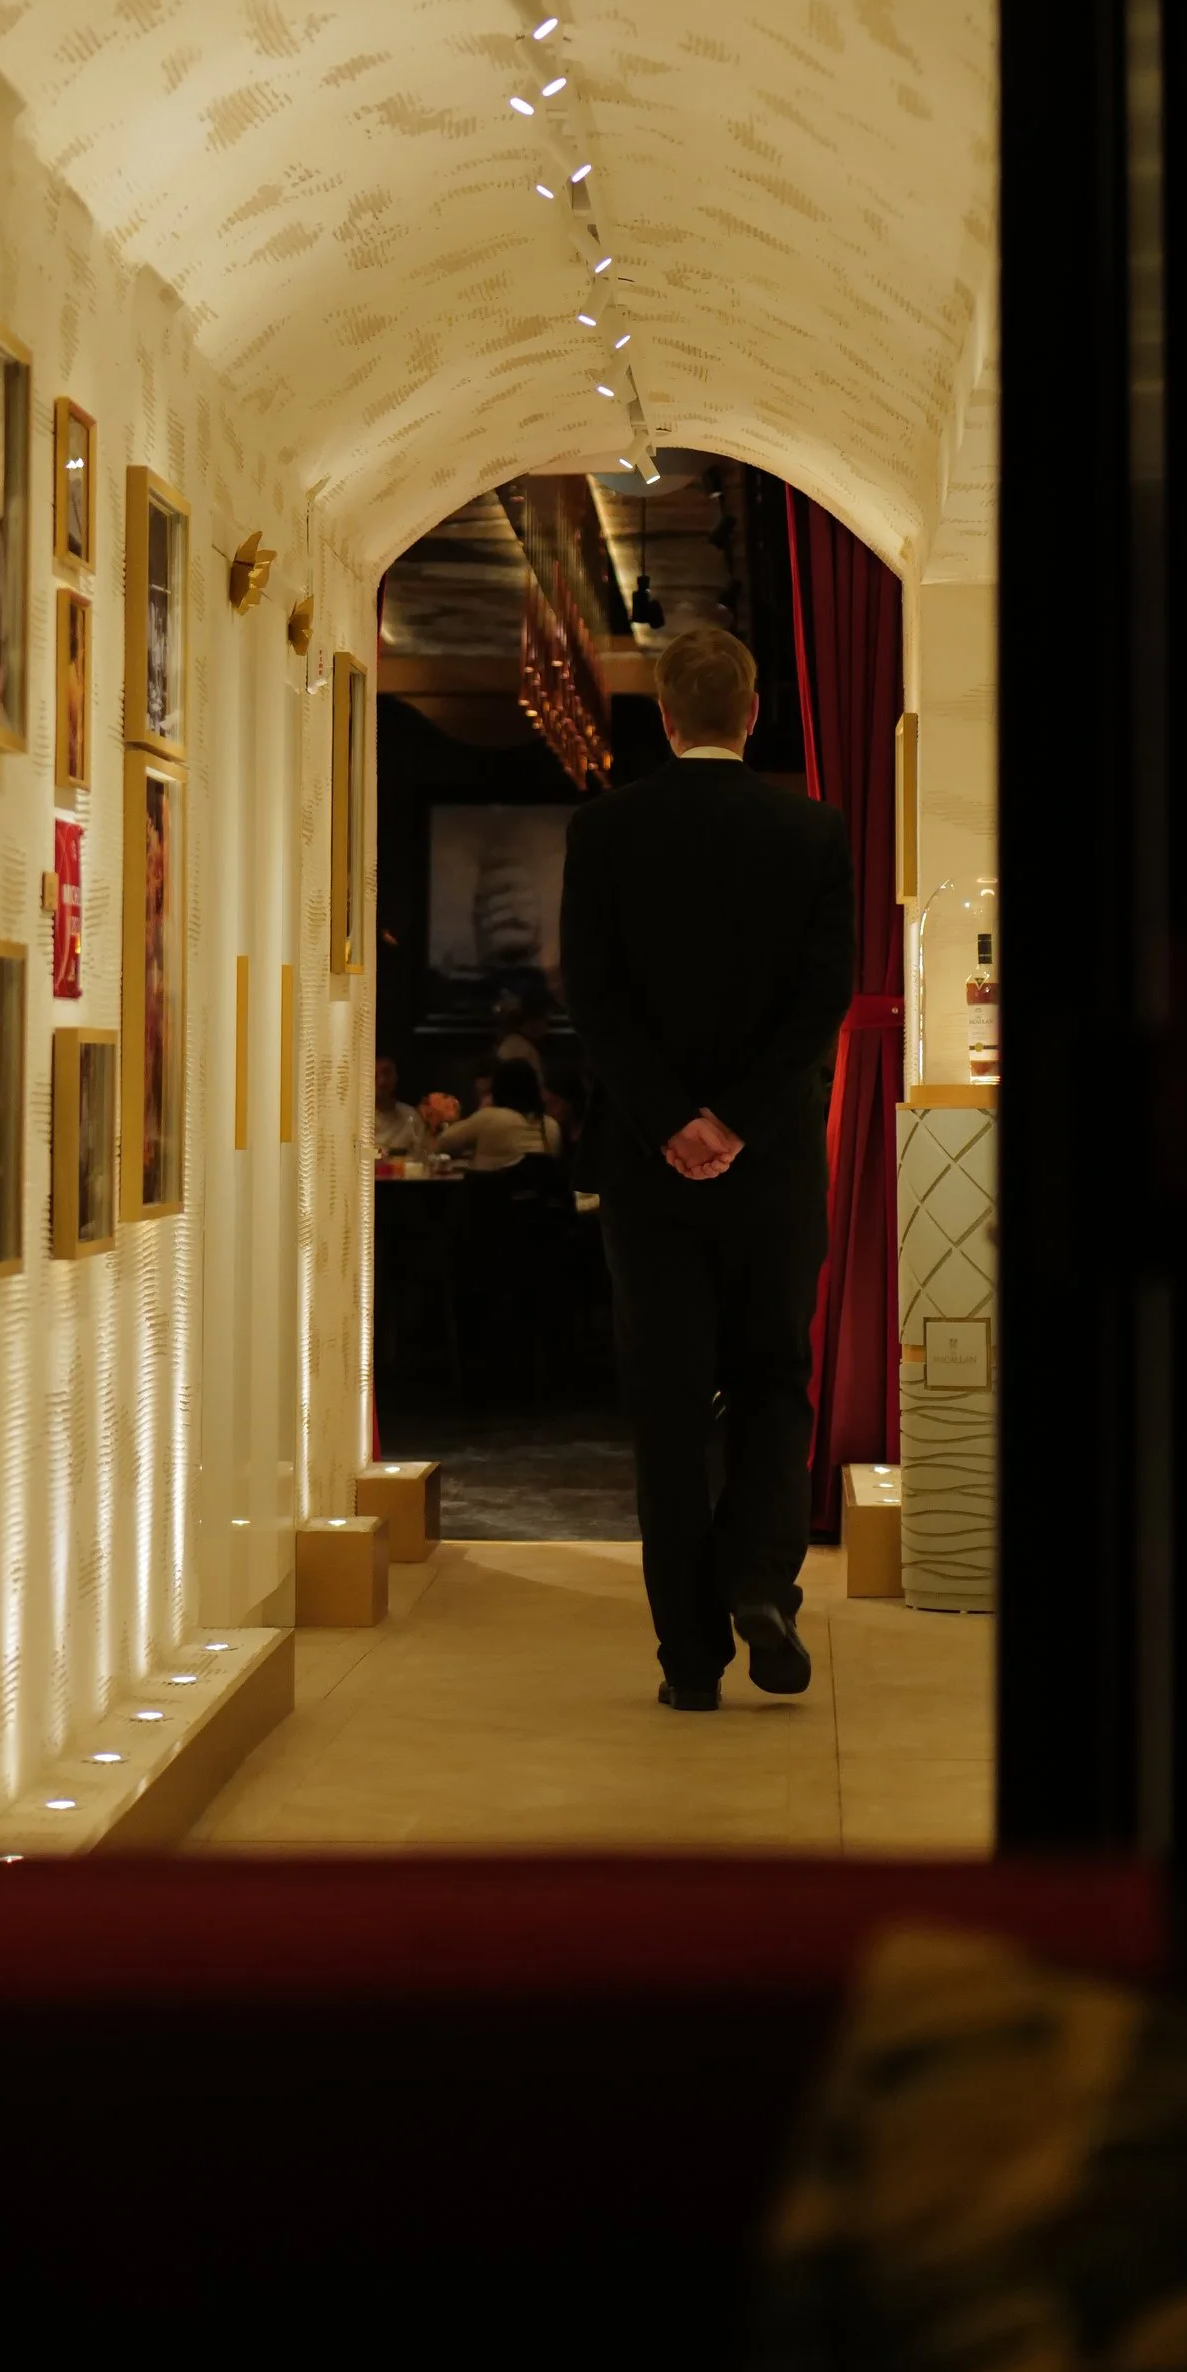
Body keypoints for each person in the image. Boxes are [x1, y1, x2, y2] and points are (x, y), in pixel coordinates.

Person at [559, 623, 853, 1709]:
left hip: (648, 1170)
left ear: (668, 717)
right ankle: (760, 1575)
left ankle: (690, 1660)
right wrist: (735, 1120)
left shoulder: (605, 831)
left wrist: (673, 1119)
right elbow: (820, 1000)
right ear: (754, 709)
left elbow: (592, 999)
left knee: (670, 1407)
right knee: (775, 1376)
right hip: (771, 1167)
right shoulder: (812, 832)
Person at [432, 1052, 562, 1173]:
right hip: (538, 1196)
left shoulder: (489, 1117)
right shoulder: (552, 1126)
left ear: (497, 1090)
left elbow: (442, 1143)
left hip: (491, 1195)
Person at [370, 1055, 426, 1160]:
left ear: (395, 1077)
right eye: (375, 1075)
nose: (382, 1081)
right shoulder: (355, 1118)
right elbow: (352, 1155)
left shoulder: (411, 1116)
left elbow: (421, 1156)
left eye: (387, 1073)